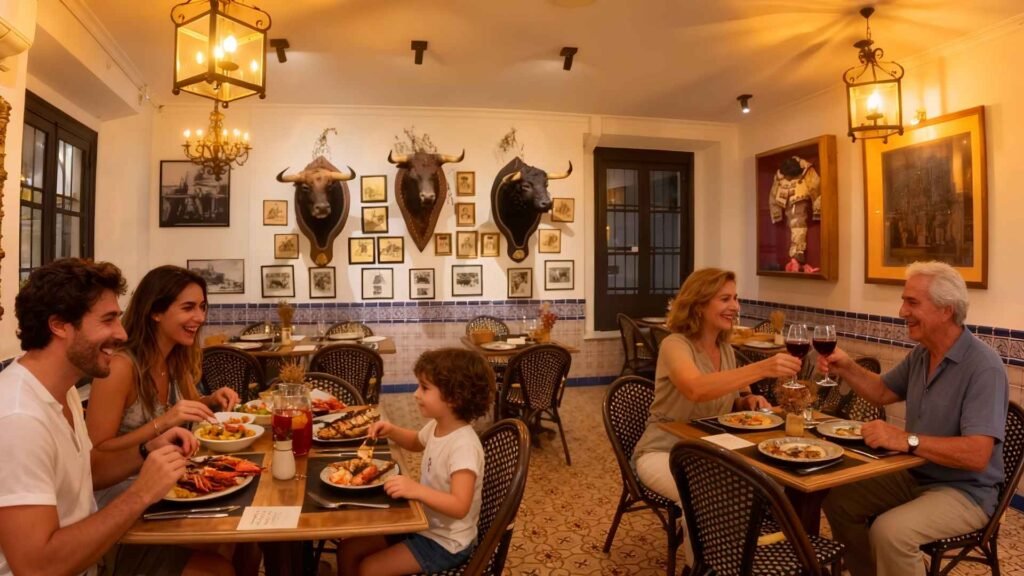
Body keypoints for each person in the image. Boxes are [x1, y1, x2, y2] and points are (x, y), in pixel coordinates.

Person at [0, 258, 208, 576]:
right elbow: (36, 566)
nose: (122, 334)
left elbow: (91, 472)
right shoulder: (18, 418)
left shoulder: (62, 388)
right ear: (59, 325)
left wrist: (147, 449)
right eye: (108, 320)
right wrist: (141, 493)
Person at [818, 261, 1008, 576]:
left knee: (891, 532)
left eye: (912, 302)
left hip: (965, 491)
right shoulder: (923, 353)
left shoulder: (983, 367)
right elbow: (881, 392)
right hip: (915, 475)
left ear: (946, 310)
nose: (901, 311)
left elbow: (977, 455)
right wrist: (846, 367)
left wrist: (907, 439)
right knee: (838, 500)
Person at [633, 267, 803, 503]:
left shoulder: (724, 349)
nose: (735, 306)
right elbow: (696, 389)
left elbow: (732, 396)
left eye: (735, 298)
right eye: (725, 299)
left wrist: (746, 400)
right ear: (699, 305)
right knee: (706, 500)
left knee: (774, 483)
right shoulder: (675, 345)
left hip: (711, 449)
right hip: (665, 450)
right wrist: (763, 368)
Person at [87, 265, 240, 506]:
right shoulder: (120, 367)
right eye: (188, 308)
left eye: (202, 307)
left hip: (172, 481)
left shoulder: (175, 359)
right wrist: (164, 422)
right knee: (230, 532)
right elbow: (96, 455)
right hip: (123, 491)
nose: (200, 318)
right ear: (155, 312)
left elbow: (191, 405)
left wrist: (211, 400)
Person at [338, 348, 495, 576]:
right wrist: (391, 430)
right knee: (349, 549)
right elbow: (415, 442)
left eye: (424, 387)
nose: (416, 393)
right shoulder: (438, 424)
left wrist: (416, 490)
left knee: (369, 569)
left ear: (453, 397)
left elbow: (459, 506)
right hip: (422, 524)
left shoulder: (464, 446)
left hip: (445, 543)